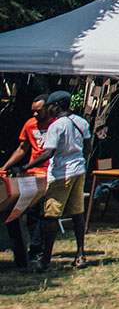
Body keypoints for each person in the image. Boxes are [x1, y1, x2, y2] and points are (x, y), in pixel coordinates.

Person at [16, 92, 90, 272]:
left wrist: (24, 167)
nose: (48, 109)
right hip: (79, 171)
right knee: (77, 212)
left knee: (51, 216)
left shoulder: (56, 126)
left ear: (57, 106)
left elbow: (48, 153)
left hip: (60, 174)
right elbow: (87, 148)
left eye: (50, 106)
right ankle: (80, 253)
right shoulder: (81, 122)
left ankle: (46, 260)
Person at [2, 95, 49, 268]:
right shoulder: (30, 124)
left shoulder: (57, 125)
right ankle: (33, 250)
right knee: (30, 212)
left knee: (44, 213)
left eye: (39, 111)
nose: (35, 115)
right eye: (33, 112)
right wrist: (5, 167)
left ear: (48, 108)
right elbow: (23, 148)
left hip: (51, 173)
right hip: (33, 174)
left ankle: (38, 250)